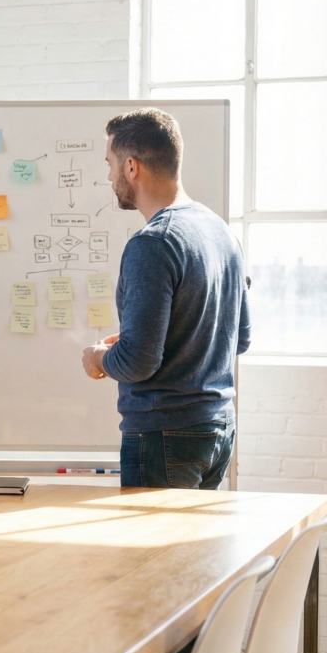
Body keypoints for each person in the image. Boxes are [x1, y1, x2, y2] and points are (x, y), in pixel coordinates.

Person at [80, 108, 250, 491]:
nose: (109, 176)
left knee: (147, 552)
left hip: (164, 436)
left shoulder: (153, 243)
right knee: (192, 550)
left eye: (110, 164)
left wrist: (98, 358)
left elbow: (138, 361)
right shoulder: (220, 231)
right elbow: (239, 338)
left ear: (132, 168)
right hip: (218, 426)